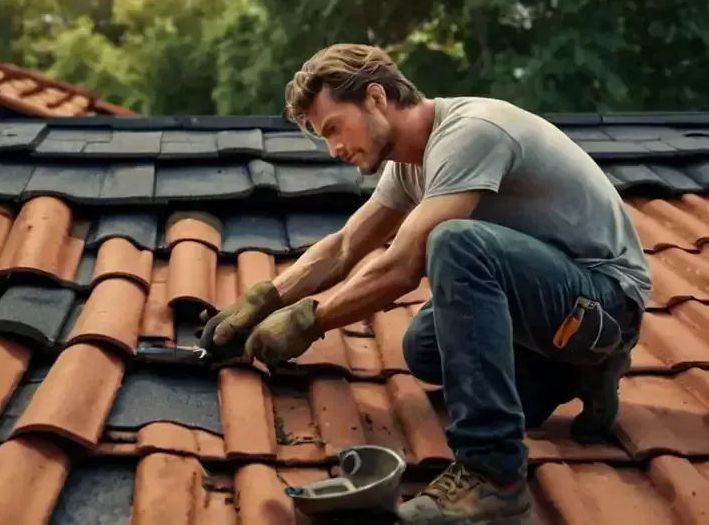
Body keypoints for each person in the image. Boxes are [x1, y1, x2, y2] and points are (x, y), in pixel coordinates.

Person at [198, 43, 650, 524]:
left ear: (375, 97)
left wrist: (310, 322)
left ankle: (494, 478)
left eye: (333, 128)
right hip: (555, 305)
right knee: (425, 347)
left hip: (605, 303)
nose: (333, 149)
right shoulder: (411, 163)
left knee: (455, 243)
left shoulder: (471, 132)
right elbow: (347, 244)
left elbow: (400, 266)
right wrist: (263, 301)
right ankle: (573, 372)